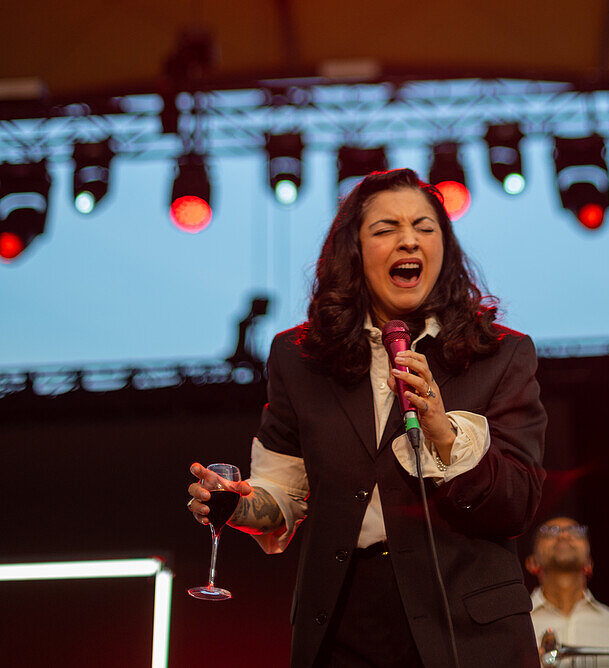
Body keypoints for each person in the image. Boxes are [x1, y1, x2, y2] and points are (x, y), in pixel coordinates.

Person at [188, 168, 547, 668]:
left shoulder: (500, 353)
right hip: (345, 622)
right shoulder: (300, 357)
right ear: (354, 251)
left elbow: (517, 503)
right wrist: (238, 505)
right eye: (386, 230)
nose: (410, 241)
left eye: (425, 228)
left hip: (467, 630)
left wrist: (444, 431)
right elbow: (283, 494)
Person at [526, 516, 609, 667]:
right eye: (550, 532)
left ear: (589, 563)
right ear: (532, 563)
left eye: (576, 532)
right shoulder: (511, 626)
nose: (564, 535)